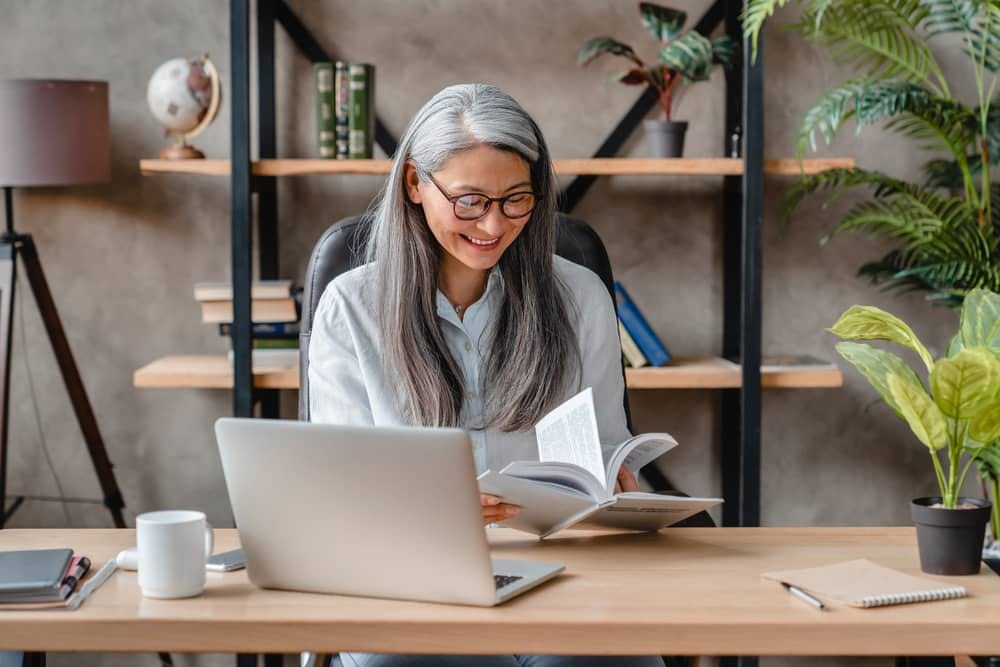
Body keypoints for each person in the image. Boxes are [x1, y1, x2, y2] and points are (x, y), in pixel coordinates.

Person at [308, 83, 662, 667]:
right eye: (470, 201)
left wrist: (618, 480)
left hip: (563, 576)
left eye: (516, 199)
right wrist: (435, 504)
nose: (494, 225)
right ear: (416, 185)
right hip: (415, 582)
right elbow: (336, 492)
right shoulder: (352, 307)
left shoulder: (579, 295)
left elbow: (603, 442)